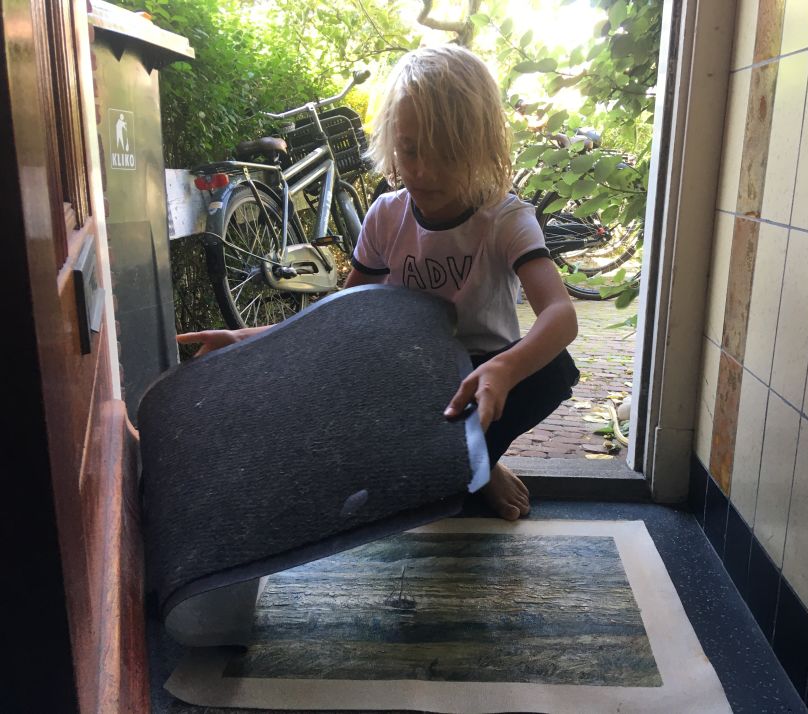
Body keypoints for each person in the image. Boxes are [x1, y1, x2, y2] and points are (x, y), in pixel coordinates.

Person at [178, 45, 579, 521]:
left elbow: (561, 315)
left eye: (446, 153)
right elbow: (342, 317)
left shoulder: (505, 218)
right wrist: (249, 339)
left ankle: (476, 459)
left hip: (482, 376)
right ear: (391, 142)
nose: (424, 171)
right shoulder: (387, 215)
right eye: (410, 150)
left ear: (482, 145)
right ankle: (472, 464)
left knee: (554, 370)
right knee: (379, 436)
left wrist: (507, 369)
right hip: (408, 379)